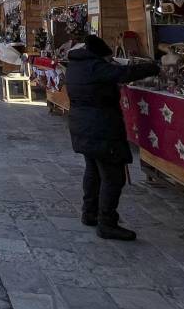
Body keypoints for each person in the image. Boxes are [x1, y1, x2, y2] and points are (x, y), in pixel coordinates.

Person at [65, 35, 159, 241]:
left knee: (93, 171)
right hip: (101, 127)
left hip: (82, 125)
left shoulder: (75, 65)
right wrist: (155, 66)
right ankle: (107, 222)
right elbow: (125, 73)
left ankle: (89, 213)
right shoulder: (96, 67)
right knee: (112, 176)